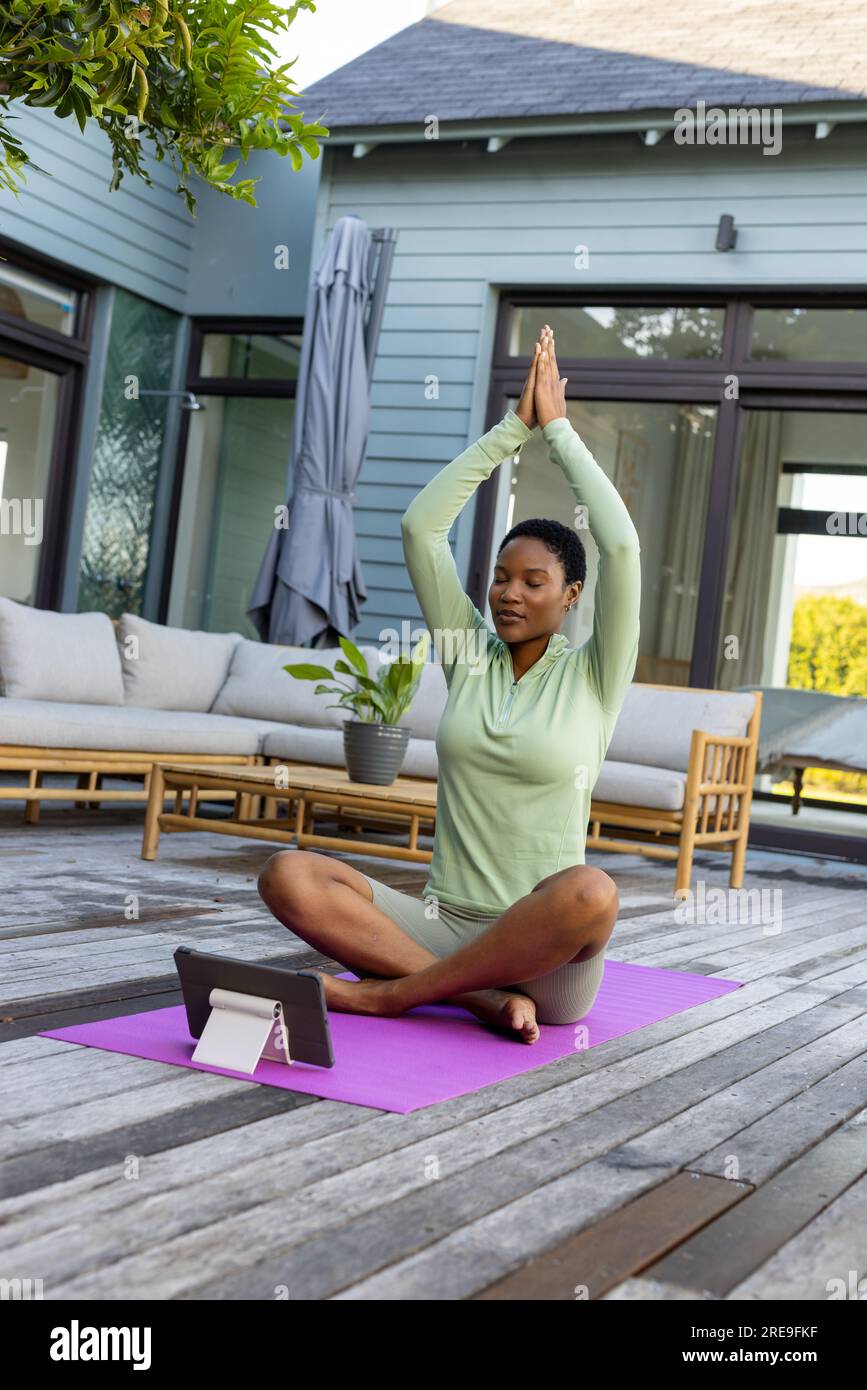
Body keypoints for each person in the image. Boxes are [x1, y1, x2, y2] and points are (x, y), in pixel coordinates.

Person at [259, 325, 641, 1043]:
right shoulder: (468, 653)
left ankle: (390, 997)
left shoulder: (594, 675)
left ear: (570, 597)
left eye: (533, 582)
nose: (508, 594)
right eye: (500, 578)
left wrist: (556, 432)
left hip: (547, 960)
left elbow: (620, 545)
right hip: (437, 929)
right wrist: (509, 431)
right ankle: (476, 1000)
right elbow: (419, 529)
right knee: (288, 874)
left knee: (592, 891)